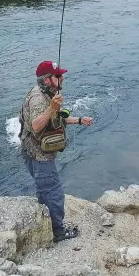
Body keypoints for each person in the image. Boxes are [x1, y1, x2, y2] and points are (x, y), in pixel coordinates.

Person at [19, 60, 93, 242]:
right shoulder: (38, 98)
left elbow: (55, 120)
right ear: (46, 80)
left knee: (44, 191)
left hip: (33, 151)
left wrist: (79, 120)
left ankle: (47, 225)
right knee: (54, 192)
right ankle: (58, 232)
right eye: (58, 76)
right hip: (39, 155)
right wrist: (52, 108)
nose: (62, 78)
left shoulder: (48, 94)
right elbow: (37, 125)